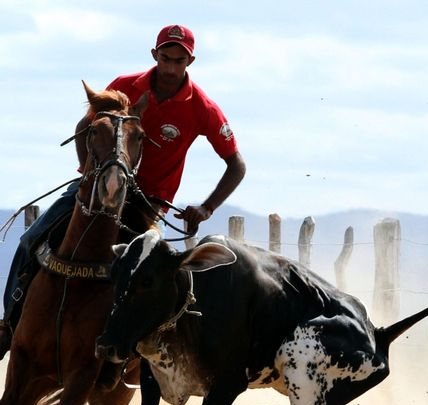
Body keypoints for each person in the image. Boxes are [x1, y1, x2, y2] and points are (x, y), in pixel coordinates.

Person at [0, 24, 246, 360]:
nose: (171, 67)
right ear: (154, 55)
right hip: (98, 188)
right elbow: (84, 127)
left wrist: (206, 208)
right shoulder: (124, 86)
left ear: (191, 60)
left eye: (179, 60)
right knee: (32, 239)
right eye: (165, 58)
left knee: (155, 275)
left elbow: (236, 165)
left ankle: (149, 354)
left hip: (147, 203)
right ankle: (8, 324)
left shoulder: (202, 107)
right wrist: (89, 174)